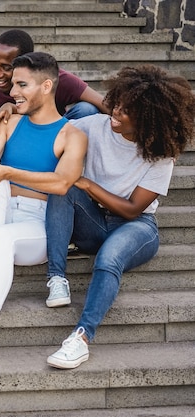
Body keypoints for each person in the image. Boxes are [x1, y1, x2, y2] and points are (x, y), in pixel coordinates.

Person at [46, 65, 195, 370]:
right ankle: (56, 277)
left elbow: (131, 209)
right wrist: (10, 110)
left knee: (109, 259)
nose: (115, 111)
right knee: (63, 190)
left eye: (127, 110)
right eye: (117, 103)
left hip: (136, 227)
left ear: (148, 117)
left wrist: (86, 183)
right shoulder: (91, 125)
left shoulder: (160, 154)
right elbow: (46, 129)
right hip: (94, 222)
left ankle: (81, 337)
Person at [0, 52, 87, 375]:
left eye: (22, 85)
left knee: (0, 228)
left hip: (37, 227)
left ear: (47, 86)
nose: (12, 93)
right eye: (13, 85)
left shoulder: (72, 135)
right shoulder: (8, 121)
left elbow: (63, 183)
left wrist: (6, 173)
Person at [0, 29, 106, 158]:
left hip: (57, 138)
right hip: (19, 142)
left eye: (6, 67)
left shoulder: (53, 77)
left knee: (87, 111)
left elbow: (104, 103)